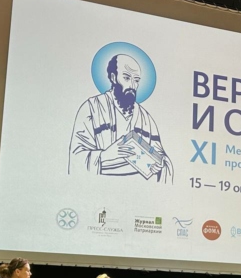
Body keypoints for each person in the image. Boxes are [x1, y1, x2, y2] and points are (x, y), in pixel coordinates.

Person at [69, 53, 173, 182]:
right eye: (126, 78)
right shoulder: (92, 108)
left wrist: (159, 165)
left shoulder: (145, 118)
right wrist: (106, 155)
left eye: (136, 80)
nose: (132, 85)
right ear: (113, 78)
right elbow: (76, 158)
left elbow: (162, 158)